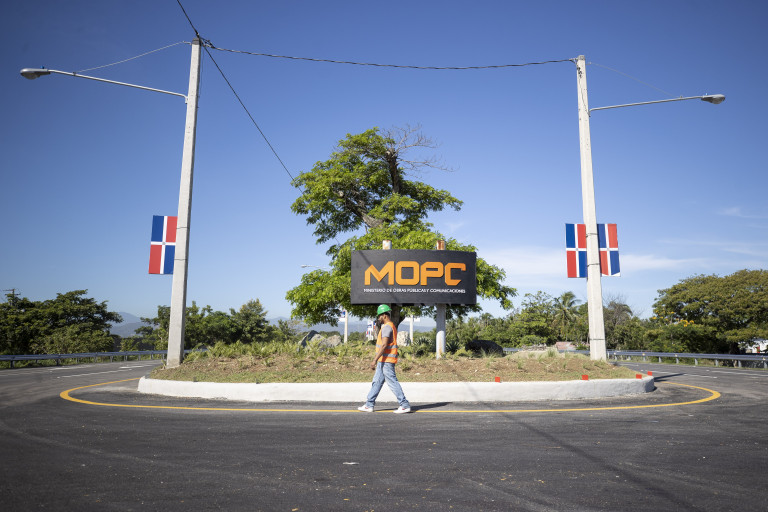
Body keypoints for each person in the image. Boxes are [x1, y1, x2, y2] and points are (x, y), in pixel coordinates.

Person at [357, 304, 411, 413]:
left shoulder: (387, 327)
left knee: (392, 382)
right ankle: (369, 405)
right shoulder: (389, 326)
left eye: (379, 316)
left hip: (387, 361)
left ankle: (404, 405)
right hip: (383, 360)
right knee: (376, 382)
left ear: (384, 315)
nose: (378, 318)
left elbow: (384, 345)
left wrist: (374, 360)